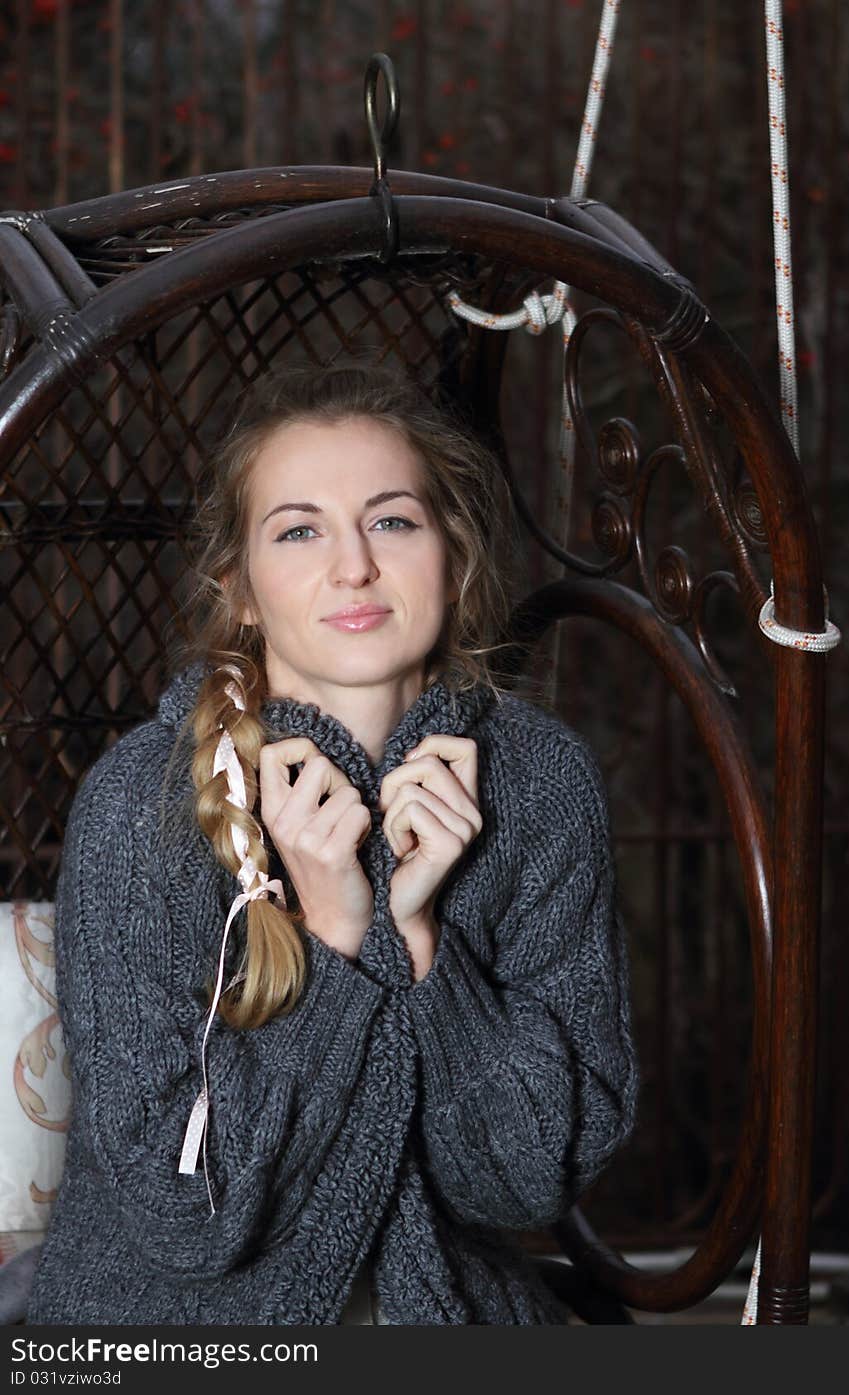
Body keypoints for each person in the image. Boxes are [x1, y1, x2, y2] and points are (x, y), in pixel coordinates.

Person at [26, 355, 639, 1326]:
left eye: (391, 520)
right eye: (299, 529)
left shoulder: (540, 781)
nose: (353, 565)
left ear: (454, 551)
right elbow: (190, 1221)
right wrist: (330, 944)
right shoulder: (139, 804)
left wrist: (427, 948)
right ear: (239, 586)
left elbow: (528, 1183)